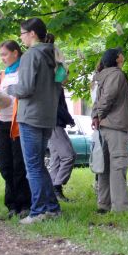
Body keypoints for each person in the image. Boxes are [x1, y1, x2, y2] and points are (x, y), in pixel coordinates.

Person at [7, 18, 61, 224]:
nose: (21, 38)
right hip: (48, 116)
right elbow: (60, 84)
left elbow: (26, 88)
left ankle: (38, 211)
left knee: (33, 167)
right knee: (39, 165)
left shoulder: (31, 55)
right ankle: (52, 209)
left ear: (32, 33)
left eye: (22, 33)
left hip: (30, 116)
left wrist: (10, 88)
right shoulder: (54, 54)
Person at [0, 40, 31, 219]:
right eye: (1, 55)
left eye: (5, 54)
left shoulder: (25, 70)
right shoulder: (3, 74)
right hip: (2, 123)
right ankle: (11, 204)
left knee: (19, 165)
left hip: (18, 124)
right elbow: (1, 98)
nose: (2, 58)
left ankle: (24, 204)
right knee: (5, 165)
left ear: (15, 53)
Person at [91, 48, 128, 213]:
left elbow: (98, 100)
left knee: (104, 166)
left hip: (104, 126)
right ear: (117, 58)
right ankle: (120, 208)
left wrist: (96, 116)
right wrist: (99, 115)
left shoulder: (102, 76)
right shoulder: (117, 75)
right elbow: (108, 97)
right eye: (121, 54)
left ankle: (104, 204)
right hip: (115, 126)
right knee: (118, 166)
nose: (123, 56)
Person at [47, 41, 76, 202]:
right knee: (69, 156)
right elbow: (57, 108)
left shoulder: (56, 87)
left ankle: (52, 191)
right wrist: (69, 119)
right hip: (54, 124)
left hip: (54, 123)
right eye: (67, 74)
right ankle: (57, 186)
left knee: (56, 158)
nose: (68, 78)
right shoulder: (55, 86)